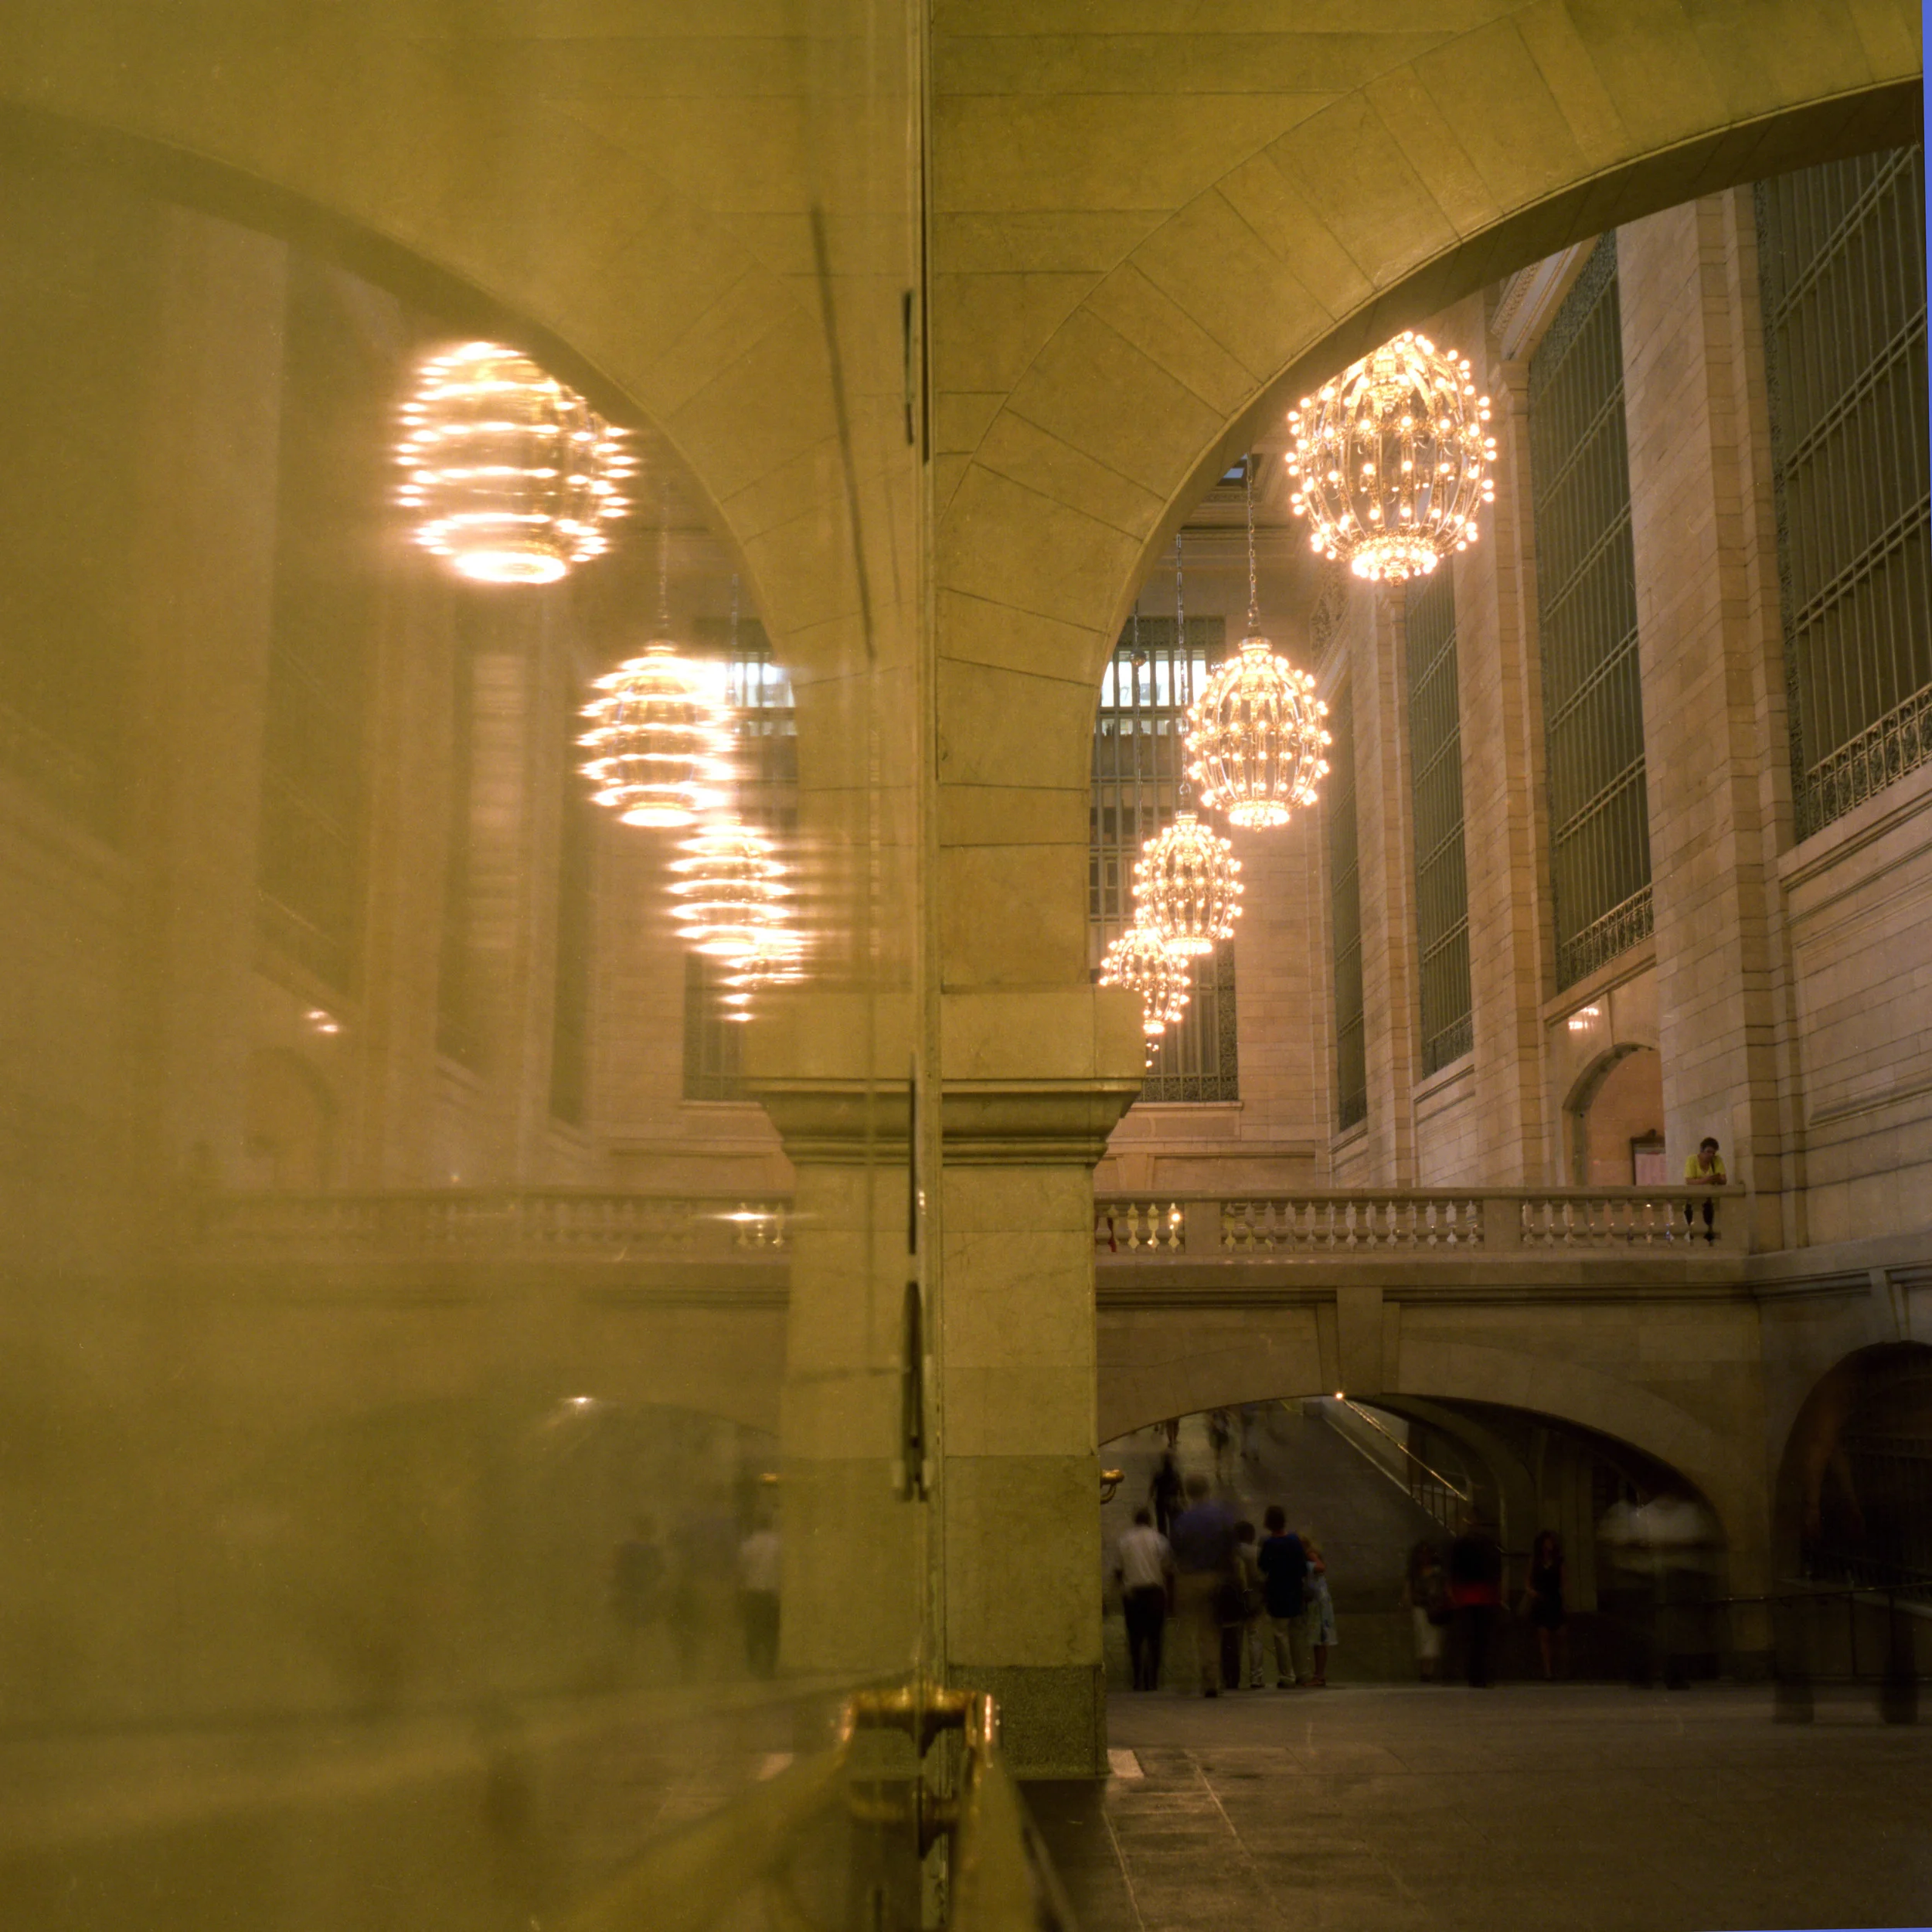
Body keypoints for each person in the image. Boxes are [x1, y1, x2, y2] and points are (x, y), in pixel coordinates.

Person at [1168, 1473, 1237, 1696]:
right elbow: (1231, 1547)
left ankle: (1187, 1680)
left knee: (1186, 1628)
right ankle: (1211, 1681)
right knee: (1210, 1631)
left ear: (1188, 1492)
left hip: (1188, 1578)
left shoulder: (1183, 1520)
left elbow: (1175, 1550)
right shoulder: (1221, 1516)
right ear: (1207, 1489)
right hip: (1214, 1577)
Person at [1114, 1507, 1174, 1692]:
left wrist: (1122, 1589)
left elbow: (1118, 1570)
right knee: (1155, 1638)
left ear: (1135, 1520)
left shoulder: (1124, 1541)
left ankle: (1137, 1677)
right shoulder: (1159, 1540)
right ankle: (1153, 1679)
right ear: (1150, 1521)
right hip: (1155, 1592)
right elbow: (1167, 1568)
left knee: (1135, 1638)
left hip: (1133, 1594)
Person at [1448, 1516, 1504, 1686]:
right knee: (1483, 1639)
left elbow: (1453, 1570)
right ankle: (1482, 1675)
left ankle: (1474, 1675)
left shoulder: (1460, 1545)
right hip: (1485, 1595)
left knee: (1471, 1639)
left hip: (1466, 1595)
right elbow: (1496, 1571)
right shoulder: (1489, 1546)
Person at [737, 1516, 781, 1677]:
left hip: (752, 1593)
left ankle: (752, 1667)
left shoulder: (747, 1545)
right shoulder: (779, 1544)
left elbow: (741, 1571)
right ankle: (769, 1668)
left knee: (753, 1632)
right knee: (771, 1632)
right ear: (769, 1525)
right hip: (771, 1594)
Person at [1402, 1539, 1448, 1682]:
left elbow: (1444, 1587)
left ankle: (1429, 1670)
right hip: (1421, 1606)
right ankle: (1426, 1670)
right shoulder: (1416, 1572)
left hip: (1433, 1606)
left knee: (1433, 1638)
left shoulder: (1437, 1572)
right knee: (1423, 1638)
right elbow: (1408, 1589)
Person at [1523, 1529, 1567, 1679]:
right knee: (1544, 1635)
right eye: (1547, 1542)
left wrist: (1565, 1599)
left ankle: (1561, 1667)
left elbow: (1563, 1582)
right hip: (1541, 1599)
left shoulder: (1558, 1561)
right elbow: (1528, 1581)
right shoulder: (1535, 1561)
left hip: (1554, 1598)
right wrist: (1532, 1592)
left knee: (1560, 1635)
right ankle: (1547, 1671)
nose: (1550, 1544)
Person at [1230, 1520, 1265, 1689]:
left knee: (1236, 1640)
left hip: (1237, 1601)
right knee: (1255, 1639)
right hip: (1255, 1600)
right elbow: (1262, 1577)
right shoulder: (1258, 1552)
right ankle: (1256, 1677)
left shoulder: (1232, 1553)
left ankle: (1232, 1677)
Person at [1303, 1533, 1336, 1686]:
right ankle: (1318, 1674)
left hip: (1319, 1602)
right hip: (1320, 1601)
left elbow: (1321, 1567)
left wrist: (1306, 1565)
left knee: (1321, 1640)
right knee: (1320, 1641)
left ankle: (1319, 1675)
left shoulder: (1309, 1555)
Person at [1682, 1136, 1726, 1240]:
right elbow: (1689, 1181)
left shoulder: (1716, 1160)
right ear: (1702, 1151)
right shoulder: (1692, 1160)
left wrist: (1715, 1179)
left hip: (1710, 1201)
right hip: (1694, 1201)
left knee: (1710, 1229)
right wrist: (1708, 1180)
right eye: (1708, 1152)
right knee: (1695, 1229)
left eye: (1713, 1153)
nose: (1711, 1155)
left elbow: (1724, 1180)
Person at [1148, 1449, 1184, 1537]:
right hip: (1172, 1500)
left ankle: (1163, 1538)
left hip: (1160, 1499)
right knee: (1173, 1521)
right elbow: (1180, 1486)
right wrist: (1183, 1497)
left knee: (1161, 1522)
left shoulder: (1158, 1473)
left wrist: (1150, 1497)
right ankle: (1173, 1538)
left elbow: (1153, 1487)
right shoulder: (1175, 1474)